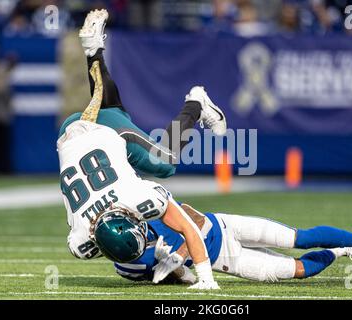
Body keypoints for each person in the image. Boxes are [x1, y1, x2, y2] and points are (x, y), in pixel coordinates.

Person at [58, 9, 227, 290]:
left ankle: (196, 104)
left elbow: (188, 226)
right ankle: (94, 51)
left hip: (101, 133)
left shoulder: (133, 198)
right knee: (111, 108)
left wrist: (205, 279)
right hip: (69, 133)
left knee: (166, 163)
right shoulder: (79, 240)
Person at [96, 203, 352, 284]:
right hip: (225, 261)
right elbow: (166, 276)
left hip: (223, 227)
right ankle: (342, 250)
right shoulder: (128, 265)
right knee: (298, 270)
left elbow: (195, 219)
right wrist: (176, 275)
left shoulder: (150, 208)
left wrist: (177, 257)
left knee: (297, 238)